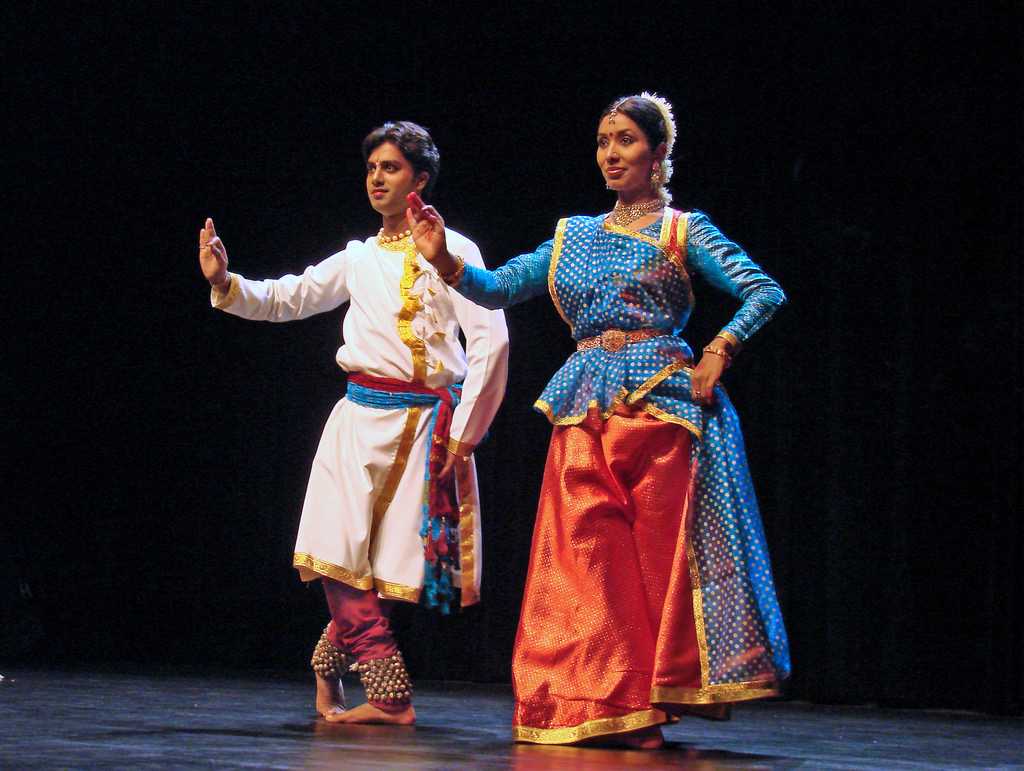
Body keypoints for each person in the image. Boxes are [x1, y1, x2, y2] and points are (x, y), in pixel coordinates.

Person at [406, 93, 790, 748]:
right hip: (583, 407)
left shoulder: (683, 231)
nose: (610, 153)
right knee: (583, 562)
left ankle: (645, 705)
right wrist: (444, 260)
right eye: (602, 140)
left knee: (651, 571)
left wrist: (720, 349)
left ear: (659, 152)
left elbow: (764, 289)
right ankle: (589, 698)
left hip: (662, 415)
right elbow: (498, 287)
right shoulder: (572, 235)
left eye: (626, 140)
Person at [198, 121, 509, 725]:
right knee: (336, 553)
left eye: (390, 168)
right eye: (371, 169)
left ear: (419, 179)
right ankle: (390, 699)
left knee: (393, 569)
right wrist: (224, 283)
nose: (376, 179)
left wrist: (466, 433)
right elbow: (289, 298)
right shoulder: (357, 258)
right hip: (356, 423)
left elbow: (491, 342)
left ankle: (331, 675)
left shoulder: (454, 250)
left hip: (424, 428)